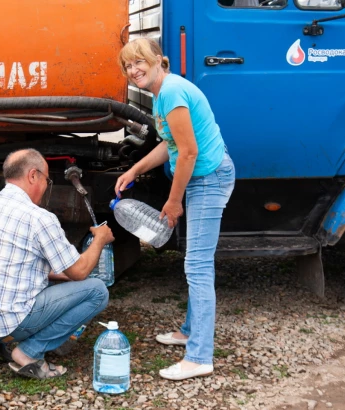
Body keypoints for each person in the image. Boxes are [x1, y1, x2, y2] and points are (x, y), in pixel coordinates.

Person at [115, 38, 235, 381]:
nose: (134, 70)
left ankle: (199, 356)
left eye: (139, 62)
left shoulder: (171, 93)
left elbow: (188, 153)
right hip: (203, 176)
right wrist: (135, 169)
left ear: (159, 60)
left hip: (209, 178)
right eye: (128, 65)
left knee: (197, 265)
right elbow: (171, 146)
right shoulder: (163, 91)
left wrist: (173, 200)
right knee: (193, 259)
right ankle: (188, 331)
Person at [0, 148, 114, 379]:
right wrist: (100, 239)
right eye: (46, 179)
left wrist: (64, 277)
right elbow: (80, 272)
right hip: (10, 318)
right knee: (97, 291)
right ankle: (29, 354)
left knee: (39, 284)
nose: (45, 186)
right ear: (33, 175)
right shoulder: (39, 217)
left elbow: (19, 265)